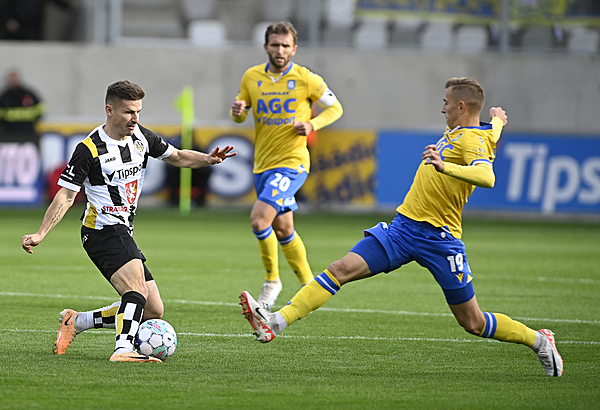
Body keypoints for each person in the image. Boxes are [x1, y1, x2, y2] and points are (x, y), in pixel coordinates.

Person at [239, 77, 564, 377]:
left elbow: (487, 176)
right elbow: (490, 133)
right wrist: (498, 121)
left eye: (446, 102)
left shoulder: (470, 140)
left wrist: (444, 165)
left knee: (473, 322)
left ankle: (539, 340)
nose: (442, 107)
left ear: (461, 107)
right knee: (340, 269)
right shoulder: (476, 131)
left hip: (440, 239)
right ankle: (274, 323)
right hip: (403, 228)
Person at [22, 80, 236, 362]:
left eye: (138, 112)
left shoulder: (141, 138)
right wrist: (41, 233)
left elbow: (180, 157)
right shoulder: (89, 149)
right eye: (128, 112)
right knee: (136, 289)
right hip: (102, 229)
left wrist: (208, 159)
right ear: (109, 110)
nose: (135, 119)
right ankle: (123, 350)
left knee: (153, 309)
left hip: (124, 230)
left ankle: (77, 321)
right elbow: (65, 196)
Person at [230, 21, 343, 310]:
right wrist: (239, 113)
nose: (280, 50)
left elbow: (336, 108)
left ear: (294, 48)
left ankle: (272, 281)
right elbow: (240, 116)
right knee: (283, 229)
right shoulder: (252, 77)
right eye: (275, 45)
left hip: (292, 164)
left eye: (285, 45)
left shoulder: (306, 78)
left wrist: (312, 124)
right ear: (266, 46)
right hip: (262, 165)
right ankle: (310, 285)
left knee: (259, 220)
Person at [0, 68, 44, 135]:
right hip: (8, 133)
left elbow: (41, 109)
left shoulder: (29, 94)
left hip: (28, 132)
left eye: (15, 78)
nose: (13, 81)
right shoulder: (3, 96)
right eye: (11, 79)